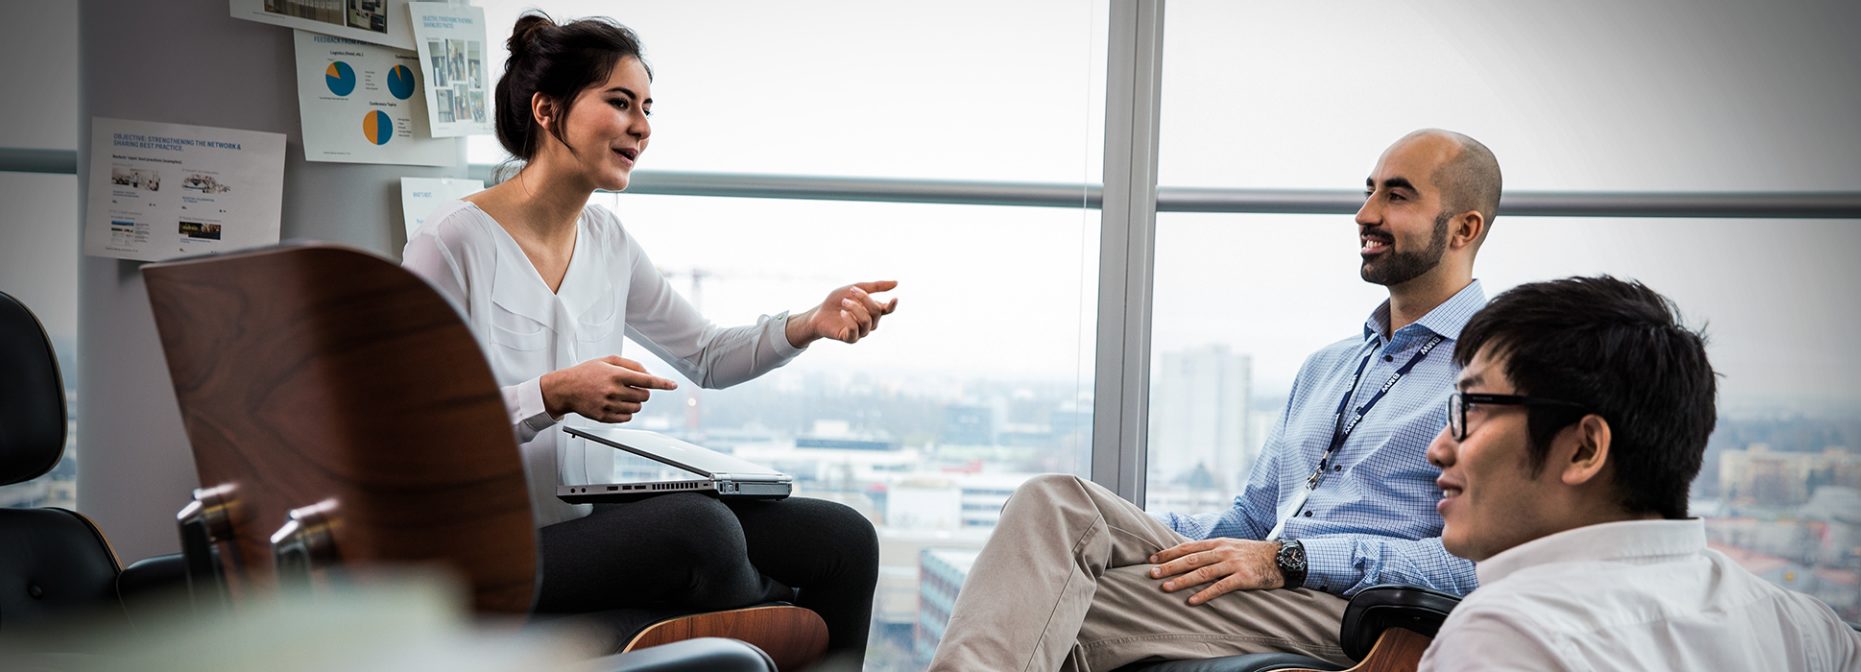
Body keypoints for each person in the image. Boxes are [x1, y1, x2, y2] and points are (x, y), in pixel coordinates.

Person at [400, 13, 889, 665]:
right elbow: (412, 438)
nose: (642, 127)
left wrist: (808, 324)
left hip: (581, 525)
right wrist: (552, 394)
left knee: (846, 539)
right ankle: (773, 620)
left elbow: (708, 356)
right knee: (702, 530)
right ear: (548, 111)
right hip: (485, 552)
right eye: (620, 103)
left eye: (648, 109)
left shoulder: (609, 242)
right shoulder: (451, 241)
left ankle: (768, 624)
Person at [928, 128, 1501, 671]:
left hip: (1353, 612)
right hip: (1263, 580)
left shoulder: (1494, 372)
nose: (1365, 214)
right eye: (1369, 191)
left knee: (1046, 602)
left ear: (1463, 228)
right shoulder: (1331, 365)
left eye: (1396, 196)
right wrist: (1119, 540)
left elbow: (1476, 564)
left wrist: (1290, 561)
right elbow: (1252, 517)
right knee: (1055, 506)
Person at [1420, 276, 1861, 671]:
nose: (1437, 448)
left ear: (1585, 449)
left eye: (1472, 406)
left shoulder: (1506, 635)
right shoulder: (1797, 622)